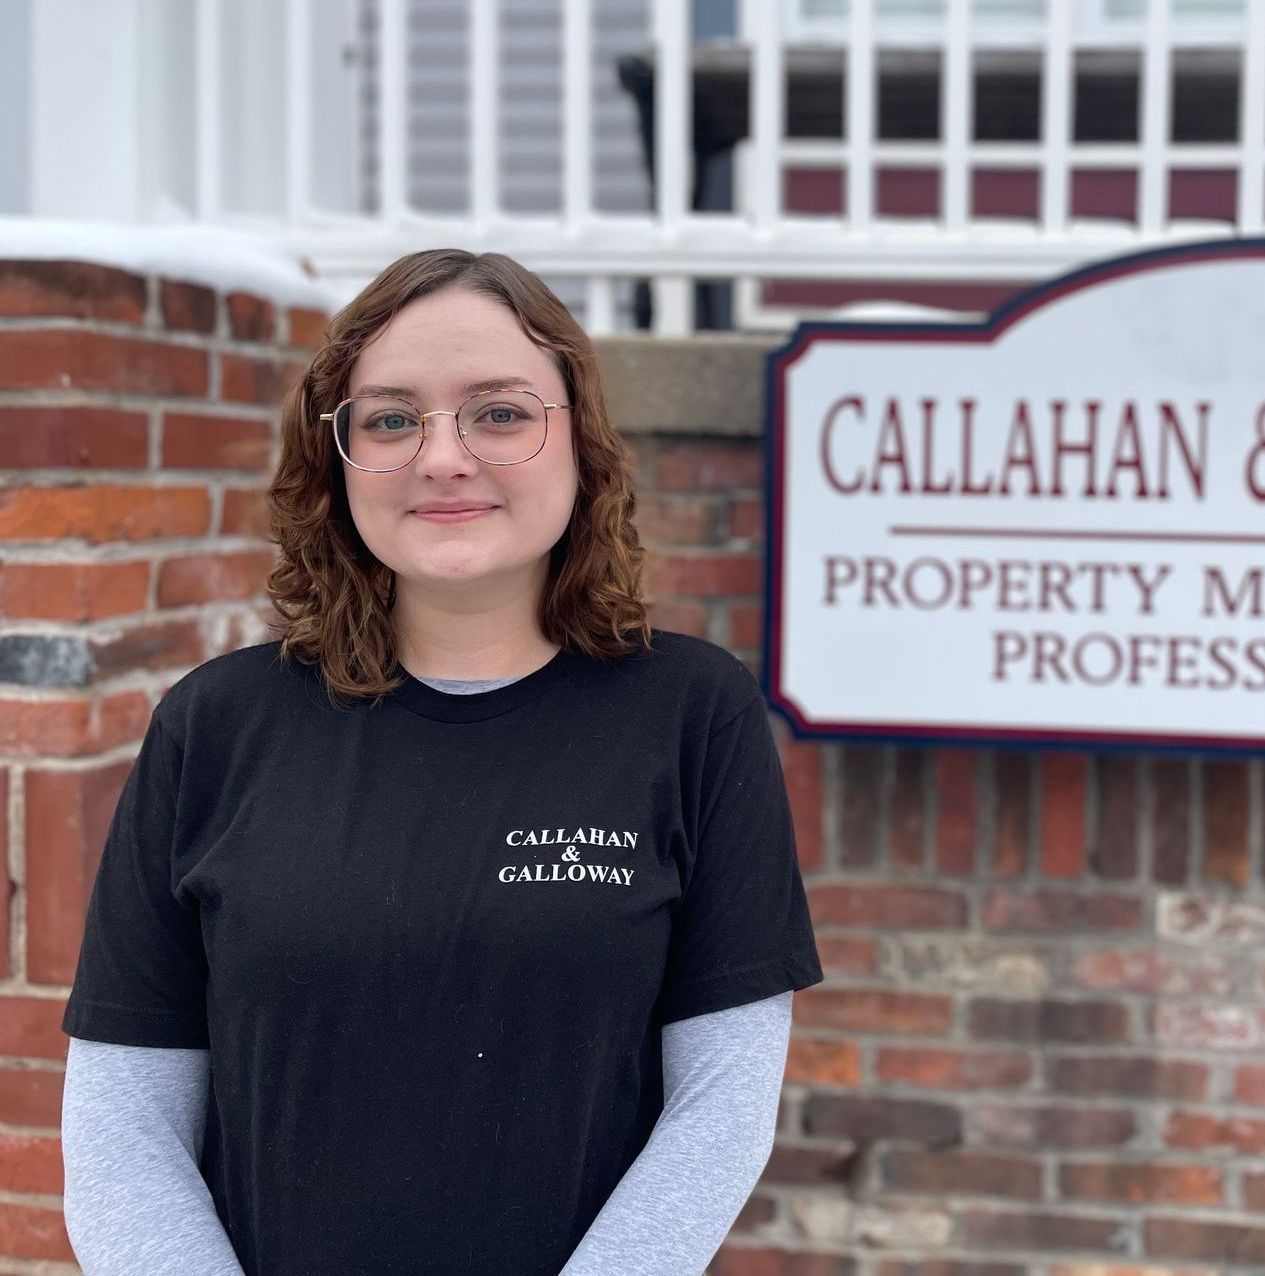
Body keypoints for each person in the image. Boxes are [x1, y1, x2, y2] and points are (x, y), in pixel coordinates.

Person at [58, 249, 824, 1275]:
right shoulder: (215, 725)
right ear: (336, 460)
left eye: (499, 412)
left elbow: (720, 1107)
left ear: (579, 442)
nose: (443, 455)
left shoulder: (689, 714)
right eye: (389, 418)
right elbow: (123, 1126)